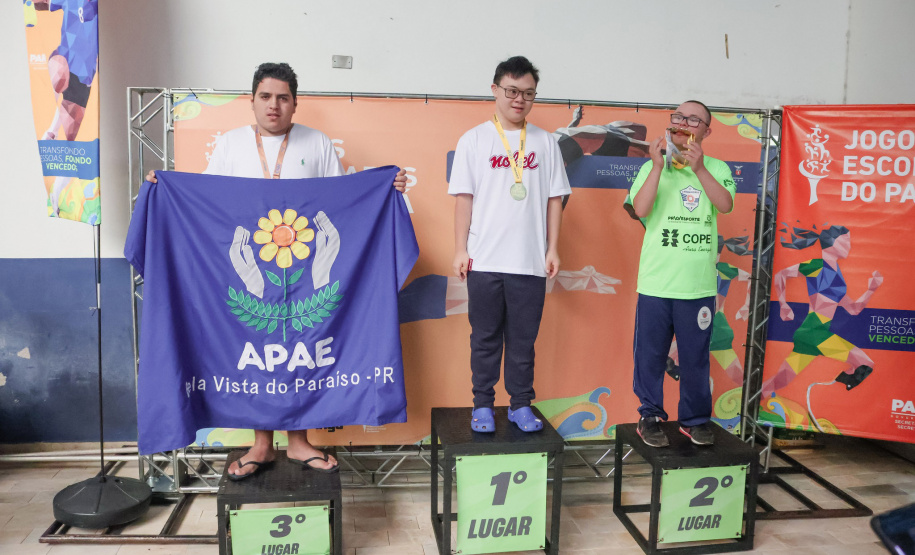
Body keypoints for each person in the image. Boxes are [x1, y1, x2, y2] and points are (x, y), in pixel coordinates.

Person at [145, 62, 406, 479]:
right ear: (251, 101)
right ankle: (262, 445)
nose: (274, 105)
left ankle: (301, 442)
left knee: (302, 350)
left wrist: (384, 190)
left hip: (304, 270)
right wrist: (167, 189)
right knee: (256, 358)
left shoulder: (317, 143)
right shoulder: (230, 145)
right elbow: (206, 202)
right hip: (247, 269)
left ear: (295, 104)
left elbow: (343, 202)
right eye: (265, 96)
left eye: (283, 98)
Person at [449, 56, 571, 433]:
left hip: (529, 263)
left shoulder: (546, 142)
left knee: (522, 342)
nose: (519, 99)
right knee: (484, 339)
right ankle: (482, 405)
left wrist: (552, 248)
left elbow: (555, 199)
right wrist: (459, 249)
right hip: (484, 261)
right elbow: (463, 199)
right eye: (512, 91)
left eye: (528, 94)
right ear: (495, 90)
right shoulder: (473, 140)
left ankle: (521, 405)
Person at [629, 100, 736, 447]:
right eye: (678, 117)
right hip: (657, 283)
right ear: (671, 124)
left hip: (698, 286)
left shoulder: (717, 167)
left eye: (694, 119)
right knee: (650, 354)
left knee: (695, 357)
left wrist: (700, 169)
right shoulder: (652, 168)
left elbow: (725, 204)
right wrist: (658, 167)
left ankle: (694, 419)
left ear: (706, 130)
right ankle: (649, 416)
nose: (684, 123)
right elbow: (640, 209)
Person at [761, 225, 881, 405]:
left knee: (781, 381)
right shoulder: (817, 266)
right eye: (845, 241)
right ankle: (837, 382)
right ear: (831, 243)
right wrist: (783, 305)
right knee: (864, 364)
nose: (849, 245)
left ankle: (753, 402)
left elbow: (853, 309)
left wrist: (871, 289)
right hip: (815, 332)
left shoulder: (838, 277)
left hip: (811, 334)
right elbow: (781, 275)